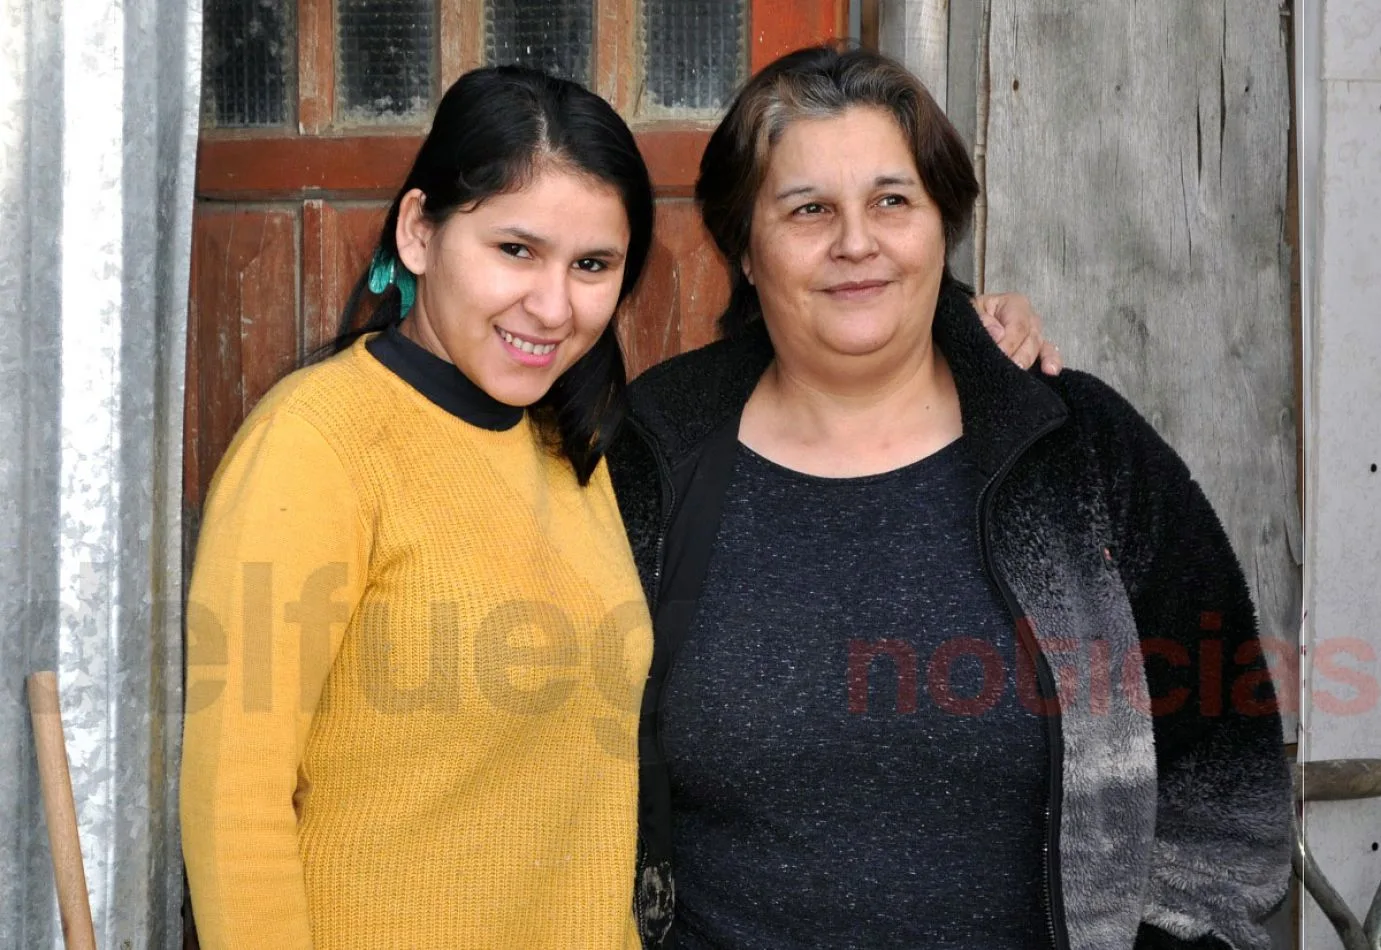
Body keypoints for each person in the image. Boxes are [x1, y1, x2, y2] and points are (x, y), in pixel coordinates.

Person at [179, 63, 1053, 949]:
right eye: (514, 250)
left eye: (592, 264)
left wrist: (962, 332)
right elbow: (234, 804)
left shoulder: (578, 450)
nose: (552, 305)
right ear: (418, 231)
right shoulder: (315, 442)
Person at [608, 46, 1292, 950]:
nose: (856, 242)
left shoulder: (1072, 450)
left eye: (892, 201)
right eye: (808, 209)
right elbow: (560, 769)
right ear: (742, 243)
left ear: (943, 225)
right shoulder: (657, 451)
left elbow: (1221, 774)